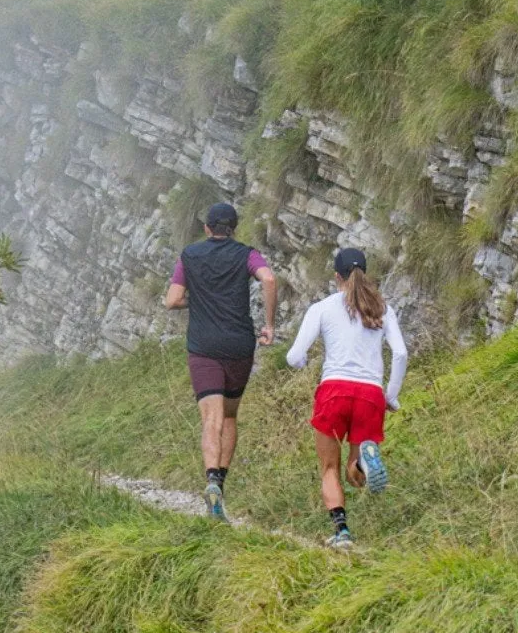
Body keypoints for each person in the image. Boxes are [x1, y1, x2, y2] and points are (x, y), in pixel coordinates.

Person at [286, 246, 407, 549]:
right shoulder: (383, 308)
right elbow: (401, 353)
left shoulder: (322, 307)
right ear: (364, 272)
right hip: (370, 394)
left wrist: (303, 365)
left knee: (329, 468)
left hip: (335, 390)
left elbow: (294, 356)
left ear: (336, 276)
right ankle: (364, 462)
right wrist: (390, 397)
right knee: (354, 473)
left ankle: (341, 532)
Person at [164, 201, 277, 520]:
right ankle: (220, 484)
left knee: (210, 418)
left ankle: (211, 478)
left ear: (207, 228)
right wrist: (269, 325)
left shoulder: (190, 256)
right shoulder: (246, 254)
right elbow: (268, 280)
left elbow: (172, 300)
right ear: (234, 228)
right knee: (229, 416)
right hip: (239, 345)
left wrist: (196, 300)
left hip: (203, 348)